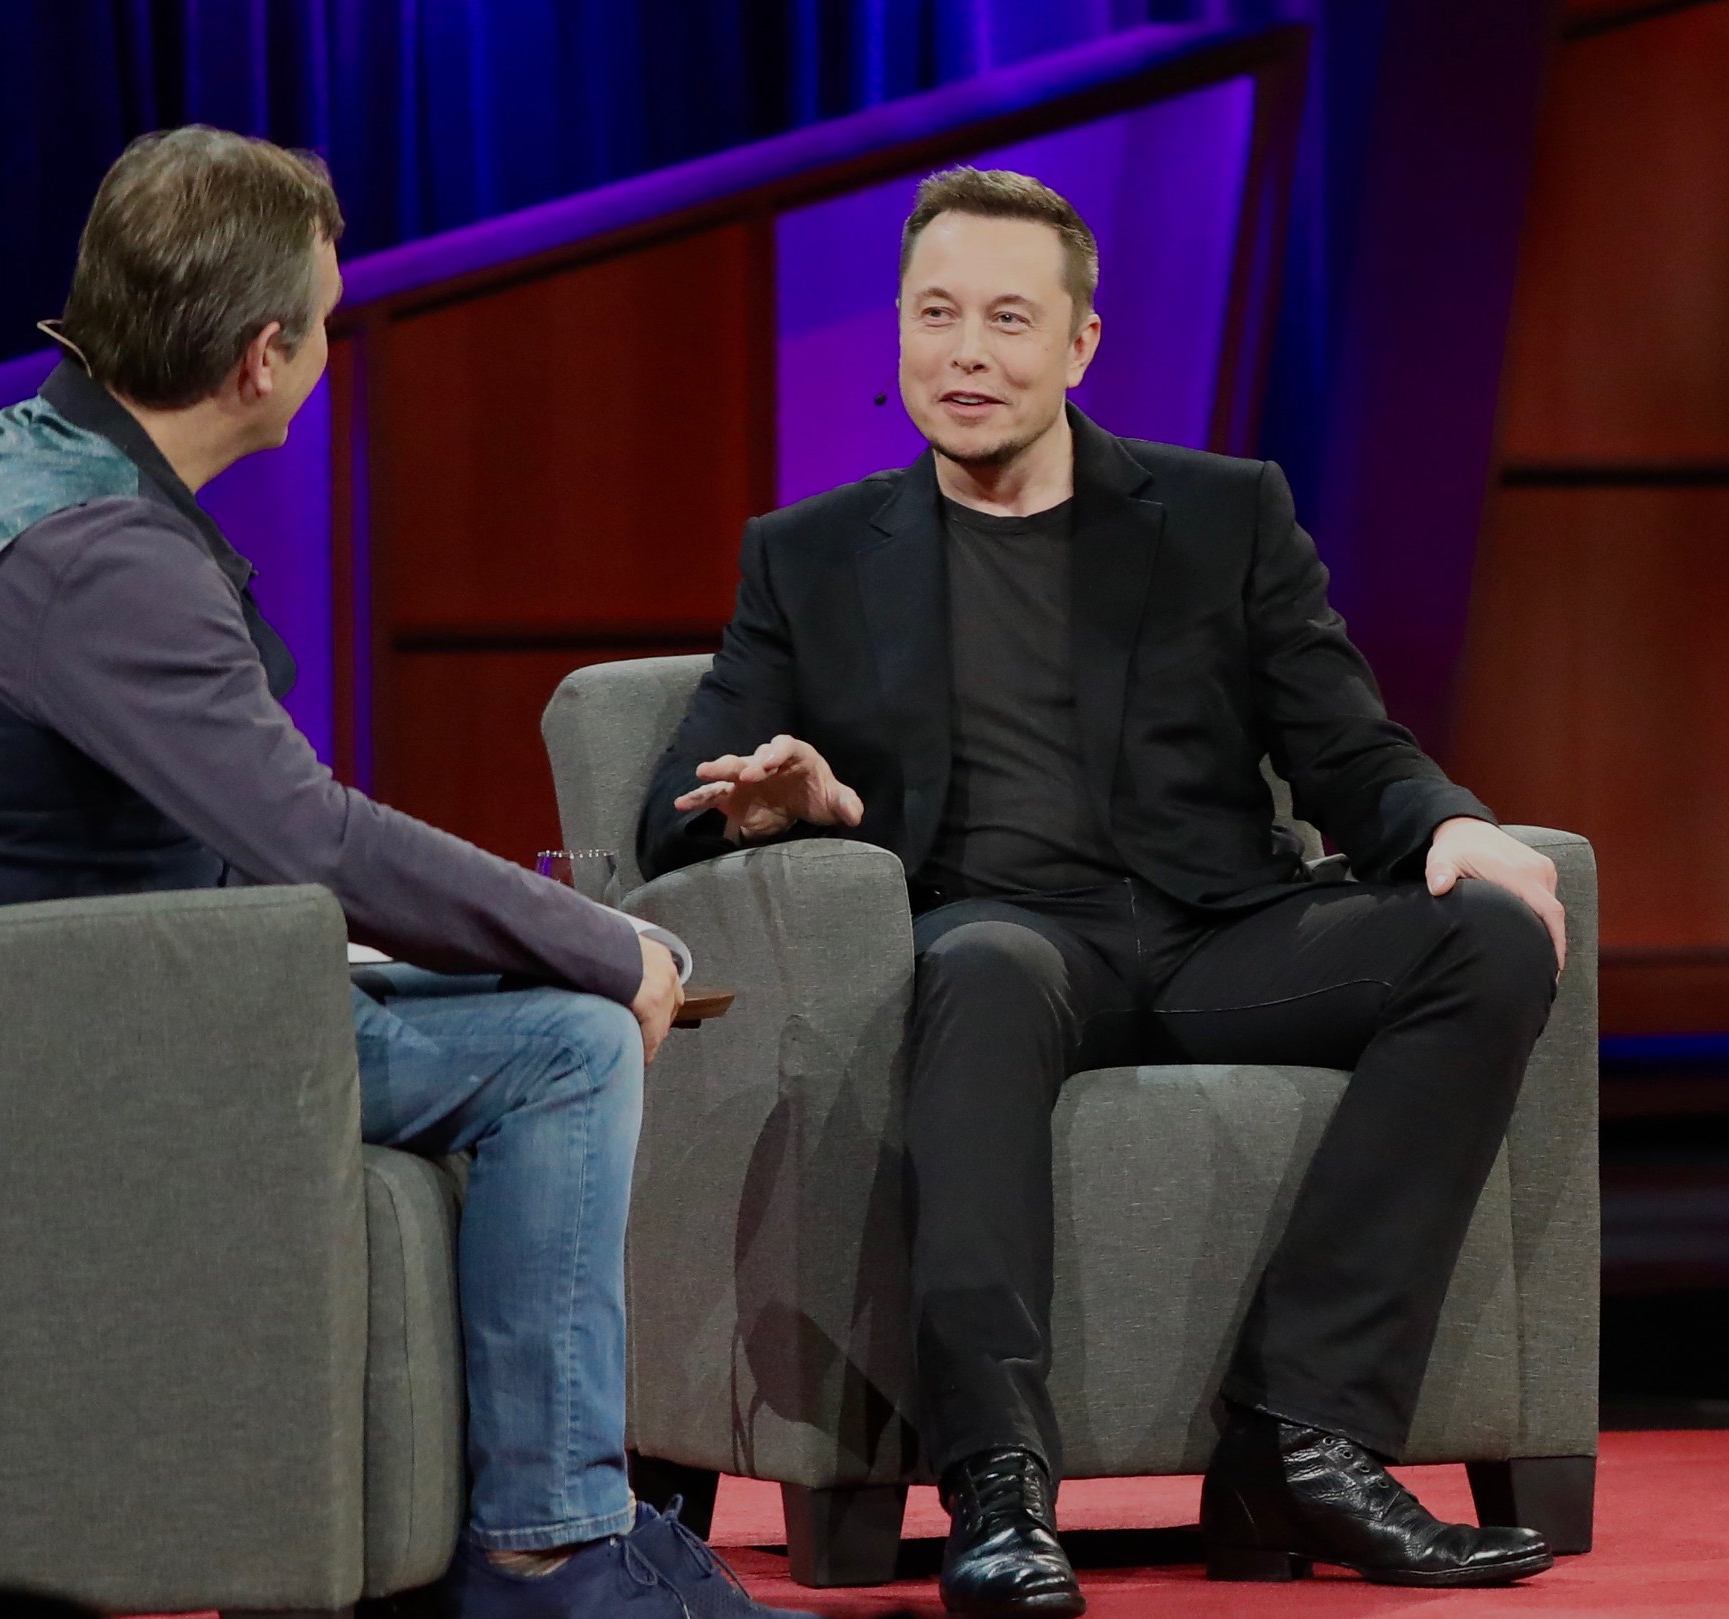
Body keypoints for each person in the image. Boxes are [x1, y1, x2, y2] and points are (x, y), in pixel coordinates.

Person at [0, 126, 810, 1619]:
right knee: (569, 1041)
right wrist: (608, 944)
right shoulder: (97, 558)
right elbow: (312, 838)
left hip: (31, 982)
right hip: (17, 1044)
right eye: (328, 324)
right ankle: (547, 1551)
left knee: (510, 993)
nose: (329, 351)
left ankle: (523, 1531)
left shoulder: (18, 462)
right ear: (264, 358)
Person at [639, 166, 1563, 1615]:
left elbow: (1344, 747)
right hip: (1006, 944)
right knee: (985, 969)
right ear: (899, 330)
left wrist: (1449, 824)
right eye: (935, 315)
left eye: (1008, 319)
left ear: (1079, 344)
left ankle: (1304, 1433)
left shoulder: (1221, 515)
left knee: (1491, 943)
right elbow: (672, 811)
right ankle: (1001, 1485)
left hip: (1222, 932)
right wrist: (781, 806)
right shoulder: (809, 555)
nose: (966, 354)